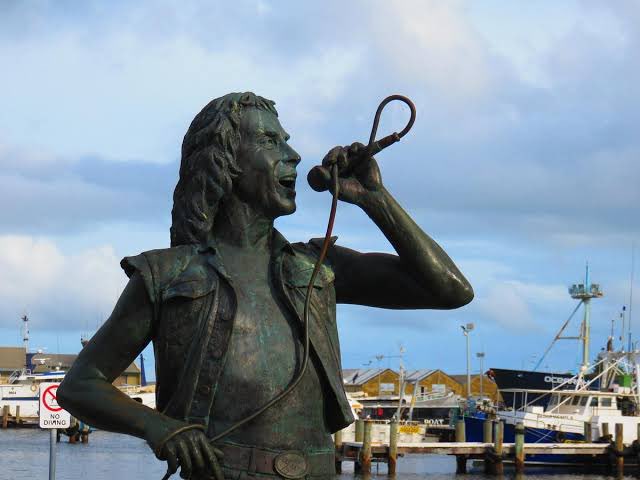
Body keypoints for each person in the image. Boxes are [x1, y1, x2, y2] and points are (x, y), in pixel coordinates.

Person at [58, 92, 473, 480]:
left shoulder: (319, 267)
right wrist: (159, 428)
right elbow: (81, 385)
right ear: (226, 162)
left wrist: (375, 198)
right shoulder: (167, 275)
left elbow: (451, 291)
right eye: (271, 141)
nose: (292, 155)